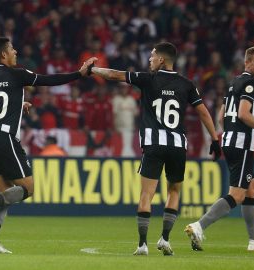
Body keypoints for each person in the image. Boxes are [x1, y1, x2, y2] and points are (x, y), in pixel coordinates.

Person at [89, 42, 221, 256]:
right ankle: (165, 239)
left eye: (152, 56)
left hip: (154, 143)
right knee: (174, 191)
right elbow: (204, 112)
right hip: (177, 145)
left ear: (161, 59)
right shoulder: (187, 84)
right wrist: (215, 140)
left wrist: (91, 70)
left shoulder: (148, 78)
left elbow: (113, 75)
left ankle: (142, 245)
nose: (149, 60)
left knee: (146, 194)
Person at [0, 37, 96, 253]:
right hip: (4, 137)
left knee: (7, 196)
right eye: (11, 49)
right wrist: (79, 73)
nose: (15, 51)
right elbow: (48, 80)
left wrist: (19, 103)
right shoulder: (17, 73)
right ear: (3, 54)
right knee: (28, 189)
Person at [185, 47, 254, 252]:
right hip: (242, 145)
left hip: (230, 141)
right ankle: (199, 226)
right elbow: (244, 115)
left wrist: (229, 134)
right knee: (237, 196)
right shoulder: (252, 84)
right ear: (247, 63)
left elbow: (221, 117)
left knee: (251, 187)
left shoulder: (234, 83)